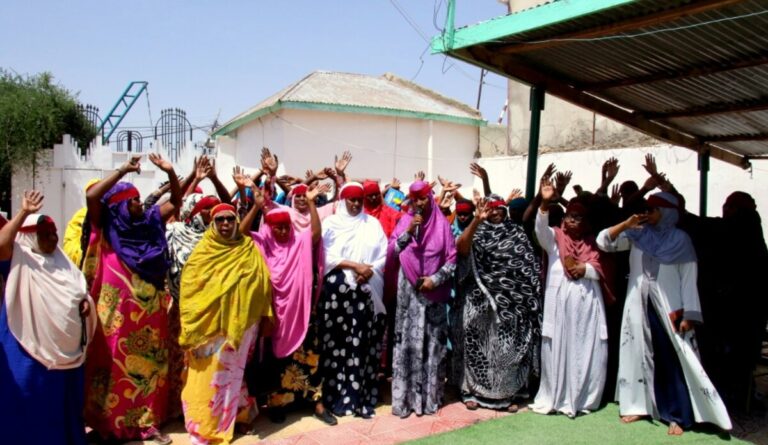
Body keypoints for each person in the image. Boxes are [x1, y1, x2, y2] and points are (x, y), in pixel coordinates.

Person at [597, 192, 731, 435]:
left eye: (654, 209)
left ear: (668, 212)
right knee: (637, 351)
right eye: (647, 209)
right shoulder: (638, 235)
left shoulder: (681, 240)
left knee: (671, 359)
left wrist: (690, 314)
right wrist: (626, 224)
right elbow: (604, 242)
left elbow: (689, 280)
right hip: (638, 304)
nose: (648, 214)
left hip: (669, 309)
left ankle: (677, 414)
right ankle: (639, 405)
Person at [82, 154, 179, 444]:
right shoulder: (110, 228)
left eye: (138, 199)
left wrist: (172, 172)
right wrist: (123, 170)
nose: (140, 204)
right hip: (115, 318)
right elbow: (92, 195)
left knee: (150, 370)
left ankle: (147, 424)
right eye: (133, 200)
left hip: (150, 317)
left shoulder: (149, 224)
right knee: (111, 367)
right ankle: (107, 427)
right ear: (120, 206)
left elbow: (175, 200)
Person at [0, 191, 97, 445]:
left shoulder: (62, 261)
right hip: (29, 351)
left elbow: (80, 291)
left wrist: (86, 303)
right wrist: (23, 213)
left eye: (54, 232)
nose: (53, 237)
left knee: (65, 406)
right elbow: (0, 245)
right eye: (45, 234)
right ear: (31, 235)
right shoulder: (19, 259)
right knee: (31, 401)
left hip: (69, 356)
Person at [239, 181, 337, 425]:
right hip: (276, 314)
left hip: (302, 310)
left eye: (286, 226)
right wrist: (255, 207)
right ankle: (278, 403)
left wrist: (312, 202)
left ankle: (316, 402)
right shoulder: (264, 242)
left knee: (309, 356)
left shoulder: (299, 241)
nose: (283, 231)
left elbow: (314, 233)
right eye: (277, 227)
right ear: (270, 228)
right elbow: (240, 235)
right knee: (277, 361)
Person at [179, 203, 273, 444]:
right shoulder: (203, 253)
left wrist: (262, 316)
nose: (225, 225)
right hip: (208, 331)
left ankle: (237, 417)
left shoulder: (248, 249)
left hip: (241, 327)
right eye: (220, 220)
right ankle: (204, 424)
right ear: (213, 223)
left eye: (230, 220)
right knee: (208, 378)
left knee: (234, 376)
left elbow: (262, 284)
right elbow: (190, 290)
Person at [529, 180, 612, 417]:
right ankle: (556, 396)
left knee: (584, 348)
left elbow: (604, 270)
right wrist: (544, 204)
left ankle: (582, 397)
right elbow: (539, 231)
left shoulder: (593, 243)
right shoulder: (555, 238)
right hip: (559, 307)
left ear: (586, 221)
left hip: (586, 309)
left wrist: (585, 270)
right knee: (556, 347)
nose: (573, 220)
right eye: (570, 216)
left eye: (579, 216)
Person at [455, 194, 543, 411]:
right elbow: (461, 248)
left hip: (512, 305)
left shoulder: (517, 232)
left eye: (498, 209)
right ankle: (473, 392)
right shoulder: (478, 231)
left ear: (505, 210)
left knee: (507, 349)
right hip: (480, 301)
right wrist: (476, 220)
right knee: (478, 346)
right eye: (490, 209)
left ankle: (509, 394)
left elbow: (526, 266)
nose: (494, 213)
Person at [318, 182, 387, 418]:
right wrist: (354, 265)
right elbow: (325, 255)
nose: (356, 204)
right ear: (343, 200)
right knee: (337, 344)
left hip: (365, 291)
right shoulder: (331, 223)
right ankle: (336, 397)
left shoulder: (373, 225)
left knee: (361, 345)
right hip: (337, 295)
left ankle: (358, 398)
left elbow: (383, 254)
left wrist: (368, 270)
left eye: (359, 200)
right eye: (352, 200)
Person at [388, 181, 457, 418]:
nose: (419, 203)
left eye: (423, 198)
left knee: (432, 346)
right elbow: (393, 251)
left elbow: (452, 260)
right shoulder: (405, 221)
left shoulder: (443, 226)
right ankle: (405, 400)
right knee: (408, 344)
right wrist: (408, 233)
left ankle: (428, 400)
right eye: (415, 198)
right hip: (409, 293)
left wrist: (435, 280)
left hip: (433, 295)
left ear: (431, 197)